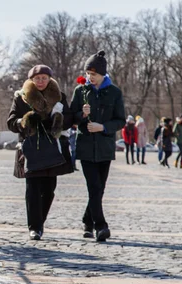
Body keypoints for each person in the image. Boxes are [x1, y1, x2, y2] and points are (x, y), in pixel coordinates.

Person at [7, 64, 74, 240]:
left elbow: (68, 119)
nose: (41, 81)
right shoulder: (21, 98)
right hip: (31, 148)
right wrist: (24, 121)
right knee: (33, 189)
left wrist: (59, 120)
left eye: (44, 78)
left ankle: (40, 222)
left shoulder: (59, 97)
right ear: (31, 80)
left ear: (50, 79)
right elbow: (11, 122)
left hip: (52, 147)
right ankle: (34, 227)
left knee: (49, 189)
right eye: (37, 78)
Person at [70, 50, 125, 242]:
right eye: (88, 74)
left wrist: (103, 127)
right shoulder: (80, 91)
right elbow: (71, 117)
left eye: (94, 74)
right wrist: (82, 116)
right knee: (93, 187)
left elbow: (120, 121)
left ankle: (87, 221)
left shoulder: (115, 93)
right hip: (85, 147)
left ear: (103, 75)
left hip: (105, 148)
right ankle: (101, 226)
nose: (90, 78)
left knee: (99, 188)